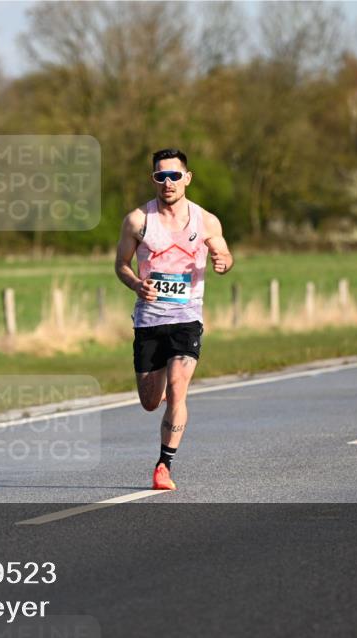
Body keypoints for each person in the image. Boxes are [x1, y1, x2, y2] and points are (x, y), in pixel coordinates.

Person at [113, 148, 234, 490]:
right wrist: (136, 283)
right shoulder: (138, 220)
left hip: (187, 318)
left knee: (179, 388)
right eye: (160, 176)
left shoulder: (205, 220)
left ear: (187, 178)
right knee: (151, 402)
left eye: (174, 176)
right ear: (153, 180)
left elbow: (224, 252)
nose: (168, 183)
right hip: (150, 320)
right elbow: (121, 264)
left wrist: (223, 261)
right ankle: (160, 379)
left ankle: (163, 466)